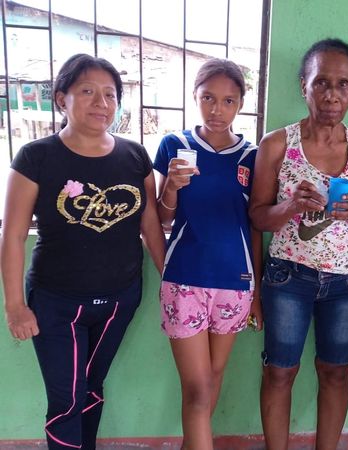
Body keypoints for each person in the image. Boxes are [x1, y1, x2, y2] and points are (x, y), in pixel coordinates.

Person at [1, 53, 165, 450]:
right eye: (88, 92)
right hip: (55, 303)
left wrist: (170, 280)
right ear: (62, 99)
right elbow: (13, 234)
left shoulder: (135, 156)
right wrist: (15, 306)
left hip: (120, 300)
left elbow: (150, 226)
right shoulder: (36, 157)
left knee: (91, 389)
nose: (101, 103)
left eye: (110, 94)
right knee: (66, 402)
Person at [249, 38, 348, 450]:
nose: (332, 94)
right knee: (279, 372)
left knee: (336, 372)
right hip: (287, 278)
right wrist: (290, 205)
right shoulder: (277, 144)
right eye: (321, 82)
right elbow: (257, 216)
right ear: (303, 86)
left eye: (344, 84)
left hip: (346, 283)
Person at [153, 58, 262, 450]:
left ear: (241, 104)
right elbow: (163, 217)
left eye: (228, 101)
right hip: (186, 279)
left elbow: (256, 227)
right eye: (208, 98)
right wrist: (171, 188)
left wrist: (257, 292)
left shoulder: (253, 156)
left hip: (235, 284)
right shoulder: (175, 145)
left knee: (213, 379)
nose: (217, 109)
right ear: (195, 97)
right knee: (198, 390)